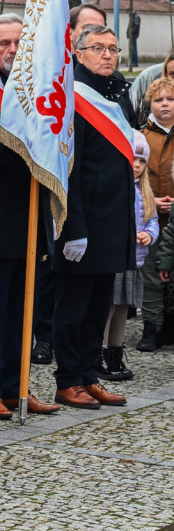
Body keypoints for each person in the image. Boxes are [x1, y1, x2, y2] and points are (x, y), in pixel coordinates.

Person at [0, 13, 60, 419]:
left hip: (32, 214)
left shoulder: (34, 88)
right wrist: (19, 134)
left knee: (24, 309)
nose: (12, 51)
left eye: (19, 43)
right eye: (3, 44)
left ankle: (17, 385)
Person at [51, 24, 135, 409]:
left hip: (113, 221)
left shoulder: (114, 94)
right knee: (73, 307)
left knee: (98, 306)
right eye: (98, 48)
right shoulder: (73, 97)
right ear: (78, 52)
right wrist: (73, 228)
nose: (107, 55)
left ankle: (88, 374)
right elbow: (70, 169)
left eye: (113, 49)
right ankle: (68, 378)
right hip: (84, 223)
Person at [99, 131, 157, 380]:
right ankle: (97, 356)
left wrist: (149, 236)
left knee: (123, 308)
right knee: (107, 308)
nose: (136, 165)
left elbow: (152, 220)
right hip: (114, 258)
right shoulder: (115, 187)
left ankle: (115, 355)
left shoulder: (145, 191)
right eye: (132, 158)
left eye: (142, 161)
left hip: (134, 260)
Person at [136, 77, 174, 351]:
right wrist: (153, 202)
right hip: (151, 216)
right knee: (151, 276)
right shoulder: (142, 136)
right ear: (150, 104)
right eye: (159, 100)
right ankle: (151, 327)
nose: (165, 105)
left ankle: (169, 327)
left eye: (170, 99)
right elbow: (139, 176)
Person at [130, 49, 174, 126]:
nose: (165, 104)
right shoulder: (147, 77)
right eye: (172, 74)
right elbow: (130, 115)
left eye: (170, 99)